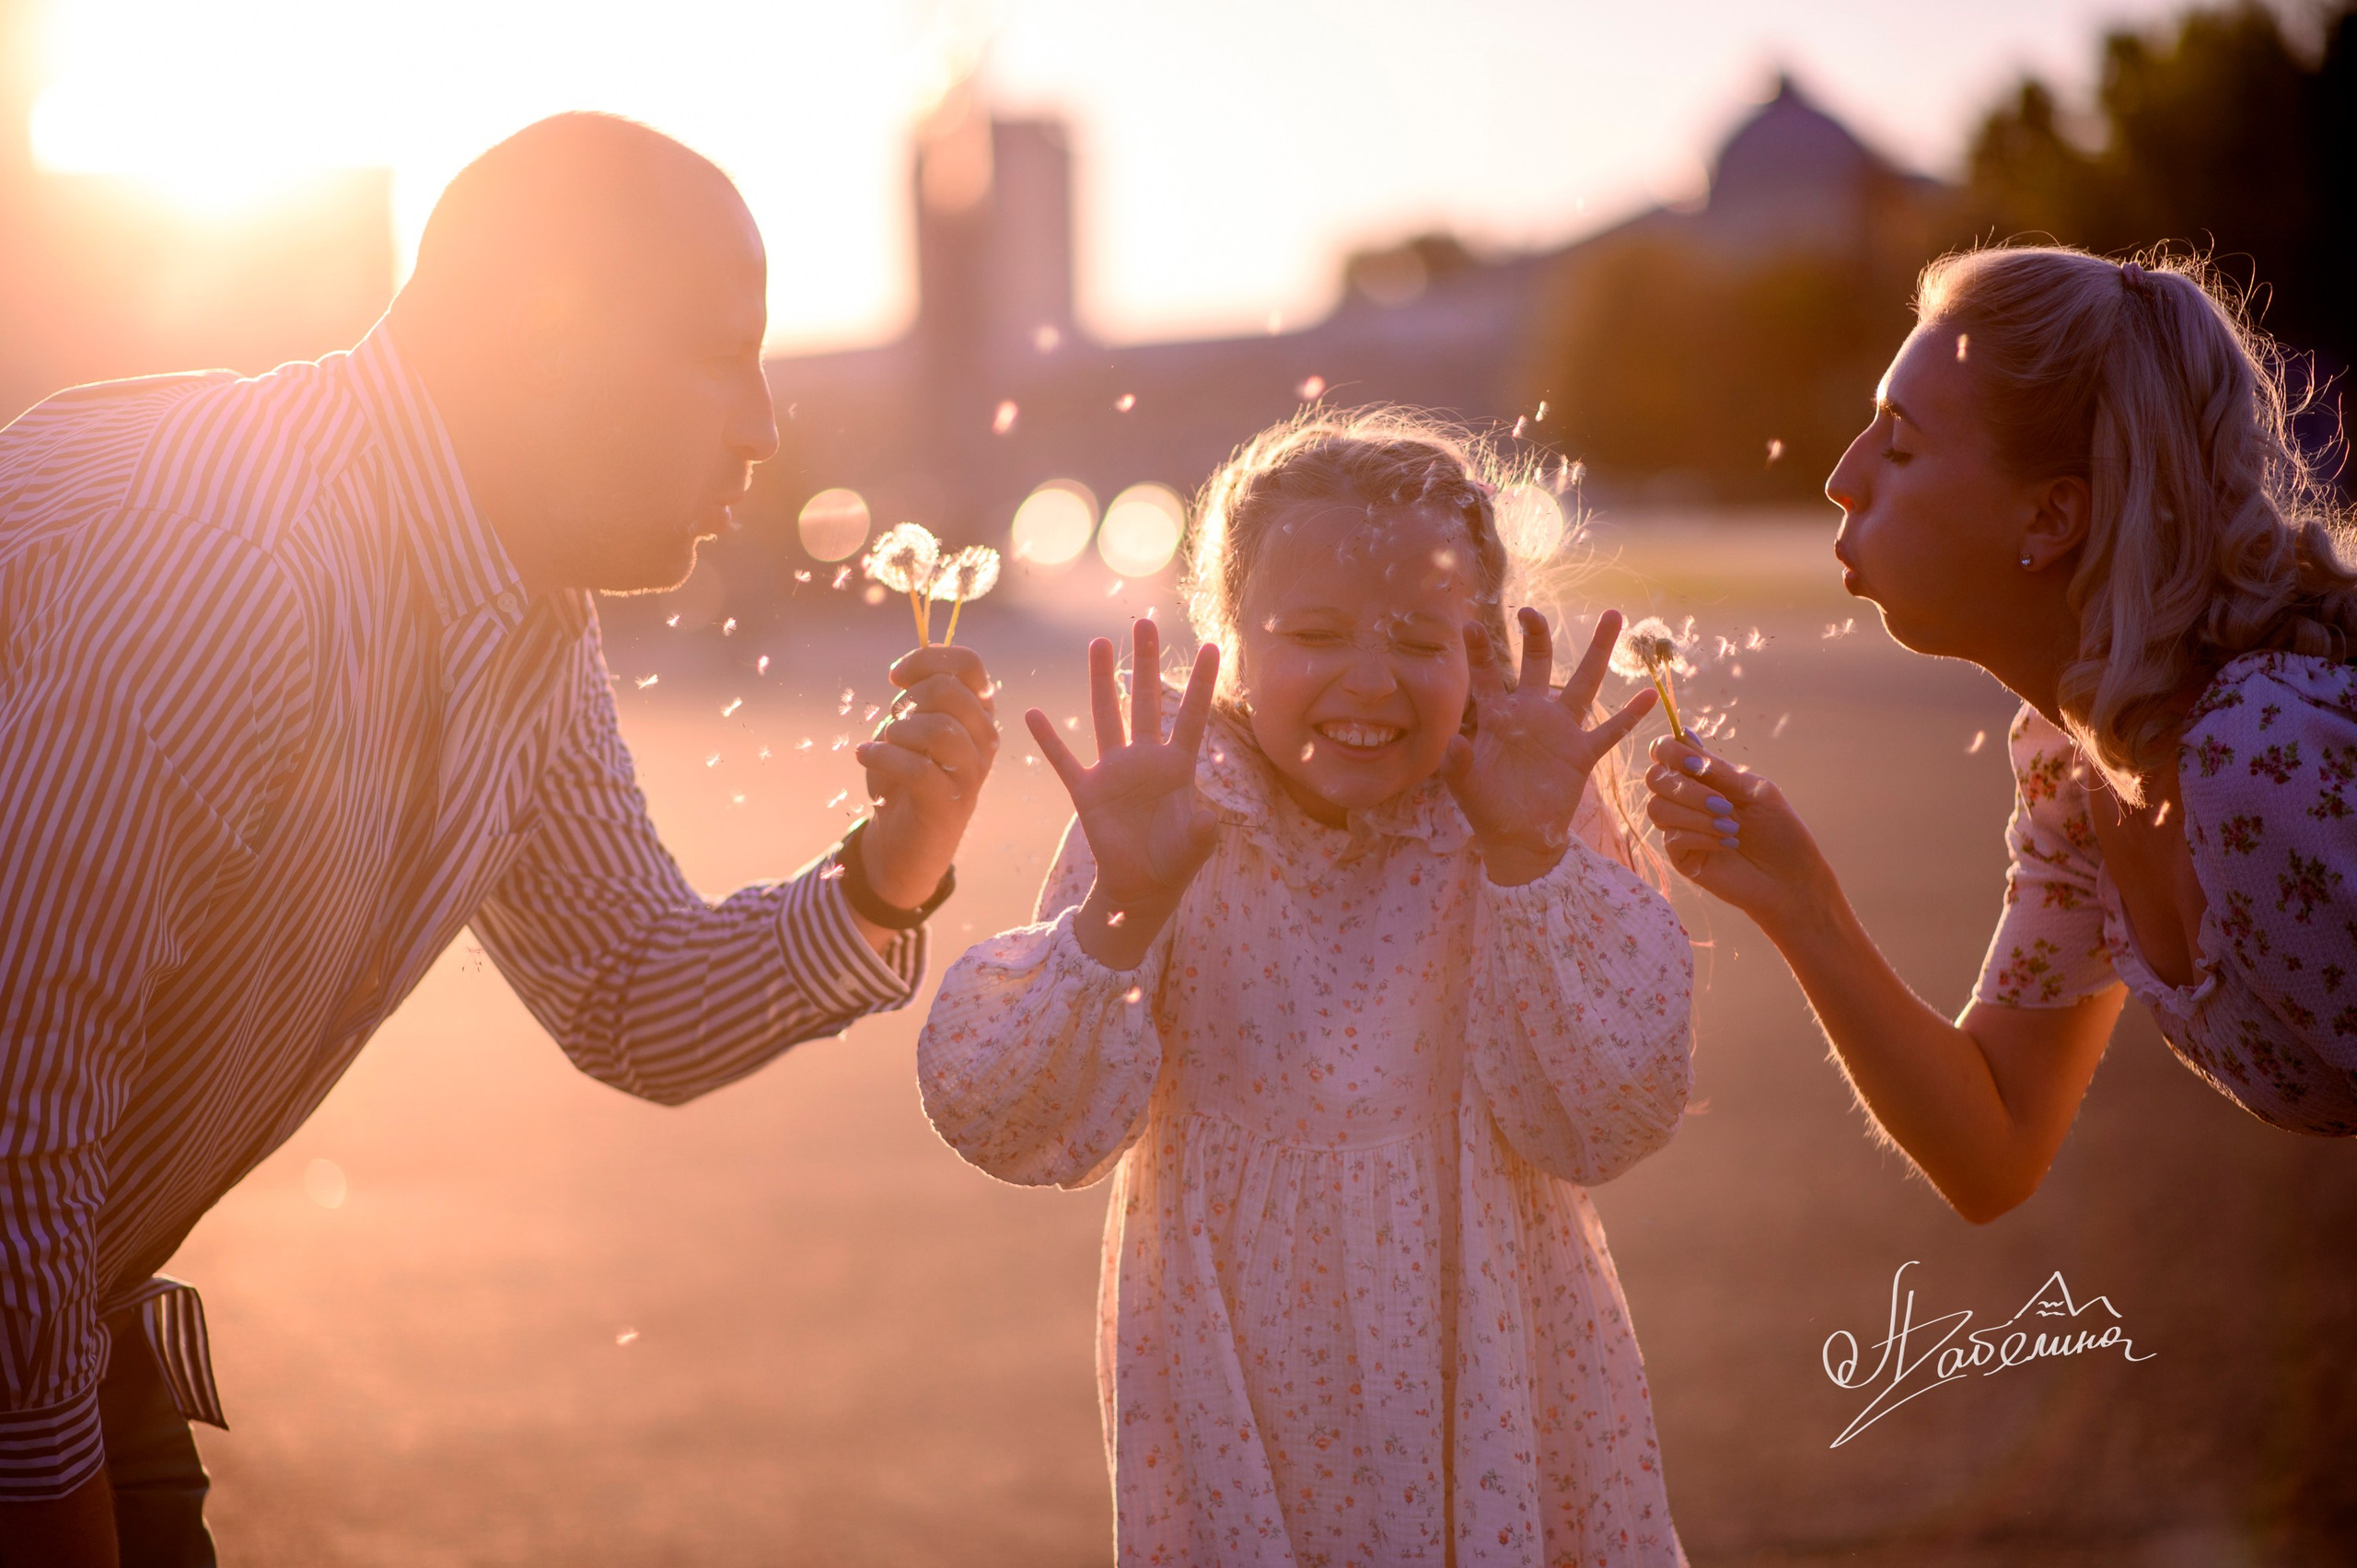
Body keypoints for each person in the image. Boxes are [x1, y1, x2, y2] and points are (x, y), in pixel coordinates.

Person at [0, 113, 998, 1565]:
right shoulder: (231, 561)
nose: (764, 425)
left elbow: (633, 990)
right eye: (721, 352)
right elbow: (13, 1128)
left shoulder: (520, 610)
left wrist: (889, 865)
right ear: (549, 343)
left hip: (57, 1330)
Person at [918, 413, 1695, 1565]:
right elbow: (1007, 1114)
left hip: (1489, 1359)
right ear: (1224, 640)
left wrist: (1533, 858)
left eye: (1422, 639)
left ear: (1479, 651)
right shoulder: (1174, 816)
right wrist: (1117, 916)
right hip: (1245, 1378)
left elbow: (1601, 1115)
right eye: (1316, 632)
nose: (1371, 679)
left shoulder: (1513, 814)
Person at [1643, 244, 2357, 1226]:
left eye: (1898, 446)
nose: (1841, 479)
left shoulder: (2254, 758)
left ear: (2052, 512)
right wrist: (1801, 903)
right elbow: (1994, 1141)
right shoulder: (2076, 767)